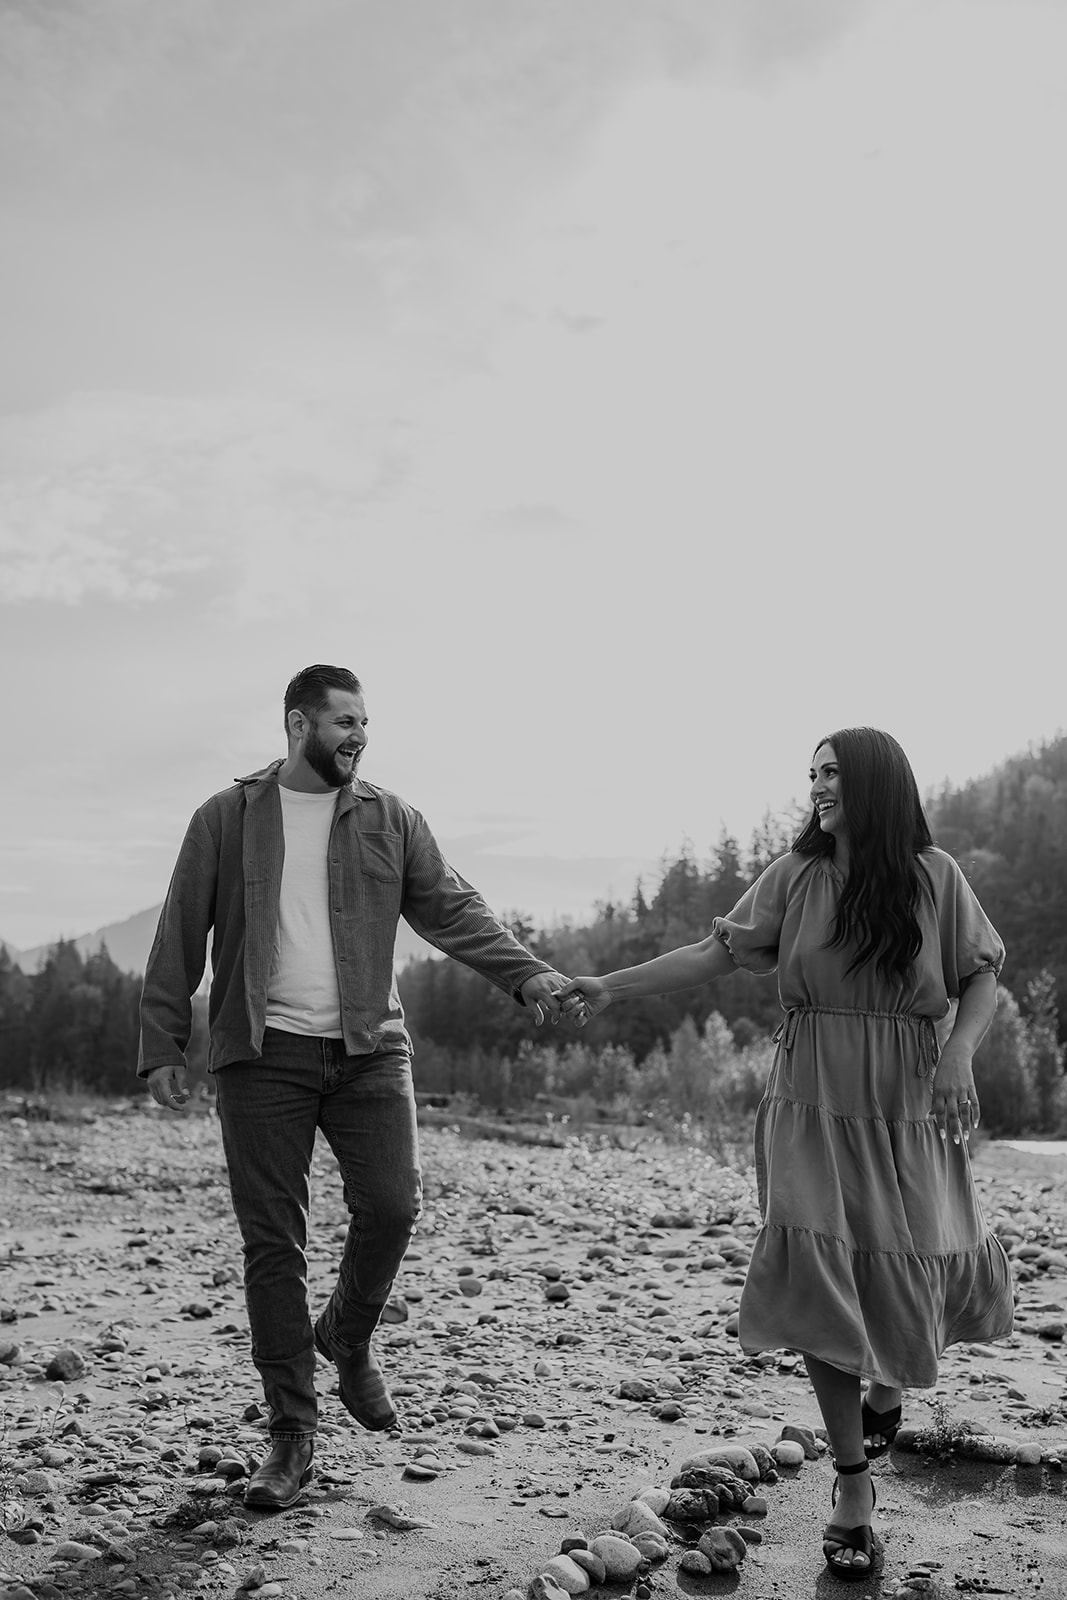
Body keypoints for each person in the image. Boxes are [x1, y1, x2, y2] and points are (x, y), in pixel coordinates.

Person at [558, 728, 1013, 1582]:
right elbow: (714, 953)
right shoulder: (796, 875)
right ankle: (851, 1485)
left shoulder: (934, 875)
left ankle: (885, 1390)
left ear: (874, 783)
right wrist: (606, 986)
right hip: (808, 1094)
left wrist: (959, 1054)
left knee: (908, 1259)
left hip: (906, 1094)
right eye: (811, 775)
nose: (816, 788)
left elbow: (981, 974)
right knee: (812, 1266)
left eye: (831, 774)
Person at [138, 664, 566, 1509]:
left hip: (370, 1051)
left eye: (365, 723)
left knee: (394, 1207)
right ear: (298, 725)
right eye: (343, 723)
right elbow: (180, 929)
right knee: (274, 1246)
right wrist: (162, 1044)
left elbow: (452, 908)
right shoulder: (227, 818)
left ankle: (348, 1333)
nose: (359, 737)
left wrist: (529, 976)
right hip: (260, 1057)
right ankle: (291, 1434)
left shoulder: (391, 817)